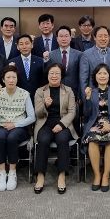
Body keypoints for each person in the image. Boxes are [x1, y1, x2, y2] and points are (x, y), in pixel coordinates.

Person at [0, 65, 35, 192]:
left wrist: (15, 124)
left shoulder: (24, 94)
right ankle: (2, 172)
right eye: (8, 77)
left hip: (20, 126)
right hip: (1, 125)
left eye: (14, 77)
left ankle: (12, 172)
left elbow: (32, 117)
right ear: (3, 80)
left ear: (17, 79)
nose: (11, 80)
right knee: (0, 137)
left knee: (12, 138)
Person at [82, 63, 110, 192]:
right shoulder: (91, 91)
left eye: (105, 73)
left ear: (109, 76)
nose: (102, 76)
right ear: (95, 76)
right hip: (95, 124)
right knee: (92, 141)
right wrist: (87, 98)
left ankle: (106, 175)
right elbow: (86, 114)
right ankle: (97, 175)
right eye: (99, 73)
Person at [33, 63, 78, 194]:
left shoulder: (68, 90)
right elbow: (38, 114)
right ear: (47, 75)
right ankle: (40, 175)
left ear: (61, 75)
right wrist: (45, 105)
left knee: (62, 139)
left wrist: (61, 125)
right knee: (43, 140)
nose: (54, 76)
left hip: (63, 123)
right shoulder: (40, 91)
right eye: (51, 73)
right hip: (45, 123)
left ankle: (62, 175)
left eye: (57, 73)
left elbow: (72, 112)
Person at [79, 26, 110, 97]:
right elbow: (83, 78)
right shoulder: (86, 54)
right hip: (93, 94)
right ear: (94, 37)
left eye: (105, 36)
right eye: (100, 36)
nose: (103, 39)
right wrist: (85, 97)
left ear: (109, 37)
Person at [46, 26, 82, 99]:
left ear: (70, 38)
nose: (64, 39)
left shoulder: (79, 54)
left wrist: (80, 95)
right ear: (57, 39)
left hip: (74, 92)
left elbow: (81, 76)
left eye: (66, 36)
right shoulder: (51, 55)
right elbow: (47, 74)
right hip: (55, 92)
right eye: (61, 36)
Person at [8, 34, 45, 103]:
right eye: (21, 44)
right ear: (17, 47)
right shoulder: (11, 62)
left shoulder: (40, 61)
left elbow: (43, 81)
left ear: (32, 45)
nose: (24, 46)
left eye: (27, 43)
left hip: (37, 98)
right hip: (18, 99)